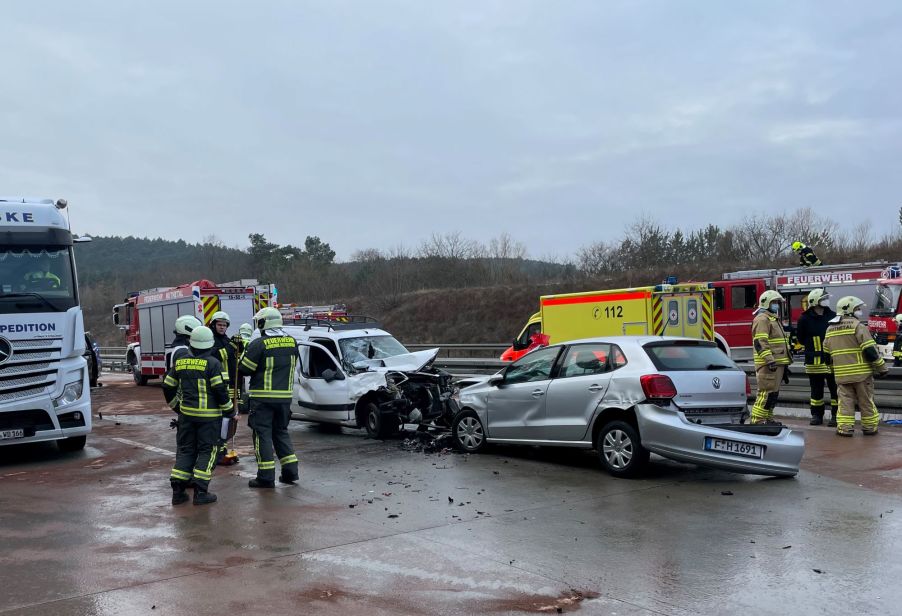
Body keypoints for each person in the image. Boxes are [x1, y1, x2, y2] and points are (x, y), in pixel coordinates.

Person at [162, 326, 235, 505]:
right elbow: (220, 390)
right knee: (207, 452)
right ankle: (201, 493)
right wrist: (229, 410)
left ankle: (178, 493)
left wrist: (176, 407)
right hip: (209, 419)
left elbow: (168, 385)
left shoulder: (180, 361)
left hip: (186, 417)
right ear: (209, 345)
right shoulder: (213, 363)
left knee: (186, 451)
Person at [238, 306, 299, 488]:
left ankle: (265, 477)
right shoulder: (292, 342)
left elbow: (244, 368)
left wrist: (244, 348)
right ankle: (290, 473)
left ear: (264, 323)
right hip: (284, 399)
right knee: (281, 433)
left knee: (262, 435)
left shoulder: (259, 344)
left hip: (262, 399)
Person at [823, 296, 889, 436]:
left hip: (841, 375)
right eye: (858, 309)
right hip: (861, 374)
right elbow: (870, 351)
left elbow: (826, 356)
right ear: (850, 310)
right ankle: (869, 427)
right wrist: (882, 368)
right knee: (866, 402)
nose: (859, 311)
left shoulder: (830, 329)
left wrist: (833, 370)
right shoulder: (858, 326)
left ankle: (845, 428)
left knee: (845, 403)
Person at [795, 289, 839, 426]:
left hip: (831, 359)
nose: (827, 300)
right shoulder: (804, 318)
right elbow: (801, 339)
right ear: (815, 301)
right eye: (823, 298)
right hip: (813, 360)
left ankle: (835, 416)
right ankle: (816, 415)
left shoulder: (833, 316)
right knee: (816, 391)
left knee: (835, 390)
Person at [750, 290, 792, 424]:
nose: (777, 305)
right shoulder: (762, 319)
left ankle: (767, 418)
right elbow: (760, 342)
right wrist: (769, 360)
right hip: (769, 364)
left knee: (773, 394)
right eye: (774, 302)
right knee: (766, 393)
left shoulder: (772, 318)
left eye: (777, 303)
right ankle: (757, 421)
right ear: (766, 303)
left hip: (776, 363)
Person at [209, 311, 239, 464]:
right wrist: (230, 348)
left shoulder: (227, 340)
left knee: (229, 421)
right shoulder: (210, 340)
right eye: (219, 325)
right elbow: (216, 356)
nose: (222, 328)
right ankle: (219, 453)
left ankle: (225, 450)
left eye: (224, 325)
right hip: (218, 385)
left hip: (231, 385)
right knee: (220, 421)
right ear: (213, 325)